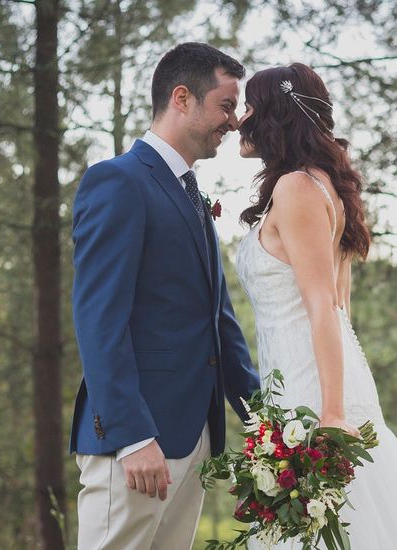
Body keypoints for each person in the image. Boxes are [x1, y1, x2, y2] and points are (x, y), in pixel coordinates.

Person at [234, 62, 397, 549]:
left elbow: (325, 306)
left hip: (314, 389)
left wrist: (331, 412)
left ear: (274, 114)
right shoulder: (322, 183)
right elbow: (340, 308)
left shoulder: (297, 187)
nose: (241, 117)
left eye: (249, 105)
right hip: (310, 378)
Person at [68, 42, 260, 550]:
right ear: (182, 98)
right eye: (225, 105)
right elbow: (98, 319)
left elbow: (218, 322)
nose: (235, 121)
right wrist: (131, 435)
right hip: (137, 442)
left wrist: (266, 421)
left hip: (191, 436)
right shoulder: (118, 182)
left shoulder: (190, 194)